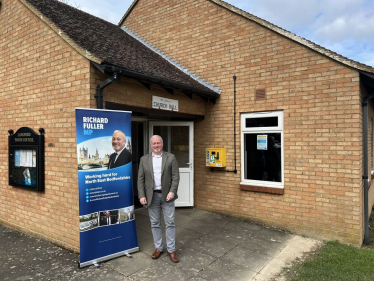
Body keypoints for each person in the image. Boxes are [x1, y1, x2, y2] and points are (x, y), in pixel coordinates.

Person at [137, 135, 180, 263]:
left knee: (170, 223)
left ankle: (171, 250)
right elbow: (140, 179)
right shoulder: (144, 159)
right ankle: (158, 248)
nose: (156, 145)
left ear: (162, 144)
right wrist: (142, 195)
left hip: (167, 196)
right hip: (151, 196)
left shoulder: (170, 157)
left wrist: (172, 192)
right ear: (151, 145)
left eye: (158, 143)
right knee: (155, 223)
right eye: (154, 143)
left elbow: (175, 177)